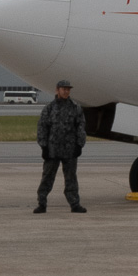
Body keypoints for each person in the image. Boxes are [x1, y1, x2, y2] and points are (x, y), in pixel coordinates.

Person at [35, 80, 87, 213]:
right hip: (52, 150)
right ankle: (42, 203)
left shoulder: (76, 108)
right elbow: (42, 127)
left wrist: (79, 145)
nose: (66, 91)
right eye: (64, 89)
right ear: (57, 90)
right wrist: (44, 147)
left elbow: (81, 127)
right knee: (47, 177)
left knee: (71, 178)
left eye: (68, 89)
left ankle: (75, 204)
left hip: (70, 150)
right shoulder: (49, 108)